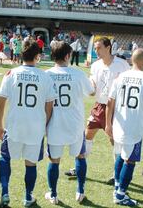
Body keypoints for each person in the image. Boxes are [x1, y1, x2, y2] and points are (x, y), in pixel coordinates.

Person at [0, 40, 56, 207]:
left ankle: (5, 193)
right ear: (38, 56)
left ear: (20, 54)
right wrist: (44, 126)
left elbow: (1, 104)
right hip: (35, 127)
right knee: (31, 163)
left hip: (14, 125)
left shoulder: (11, 74)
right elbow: (49, 106)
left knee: (5, 157)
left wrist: (0, 125)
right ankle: (28, 197)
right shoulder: (45, 76)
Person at [65, 37, 130, 184]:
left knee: (115, 140)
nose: (96, 51)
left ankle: (117, 172)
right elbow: (92, 87)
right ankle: (78, 168)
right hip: (99, 106)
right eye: (95, 48)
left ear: (108, 48)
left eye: (99, 47)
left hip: (115, 108)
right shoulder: (95, 66)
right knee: (87, 135)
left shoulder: (122, 65)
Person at [44, 41, 94, 205]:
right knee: (80, 156)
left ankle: (53, 194)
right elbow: (91, 91)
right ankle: (80, 191)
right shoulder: (78, 74)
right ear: (67, 56)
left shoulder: (46, 74)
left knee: (54, 160)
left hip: (54, 123)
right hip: (75, 123)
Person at [106, 48, 143, 206]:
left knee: (121, 155)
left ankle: (117, 187)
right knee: (130, 160)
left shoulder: (120, 77)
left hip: (119, 123)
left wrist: (108, 123)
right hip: (135, 125)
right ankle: (120, 195)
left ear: (131, 60)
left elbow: (110, 102)